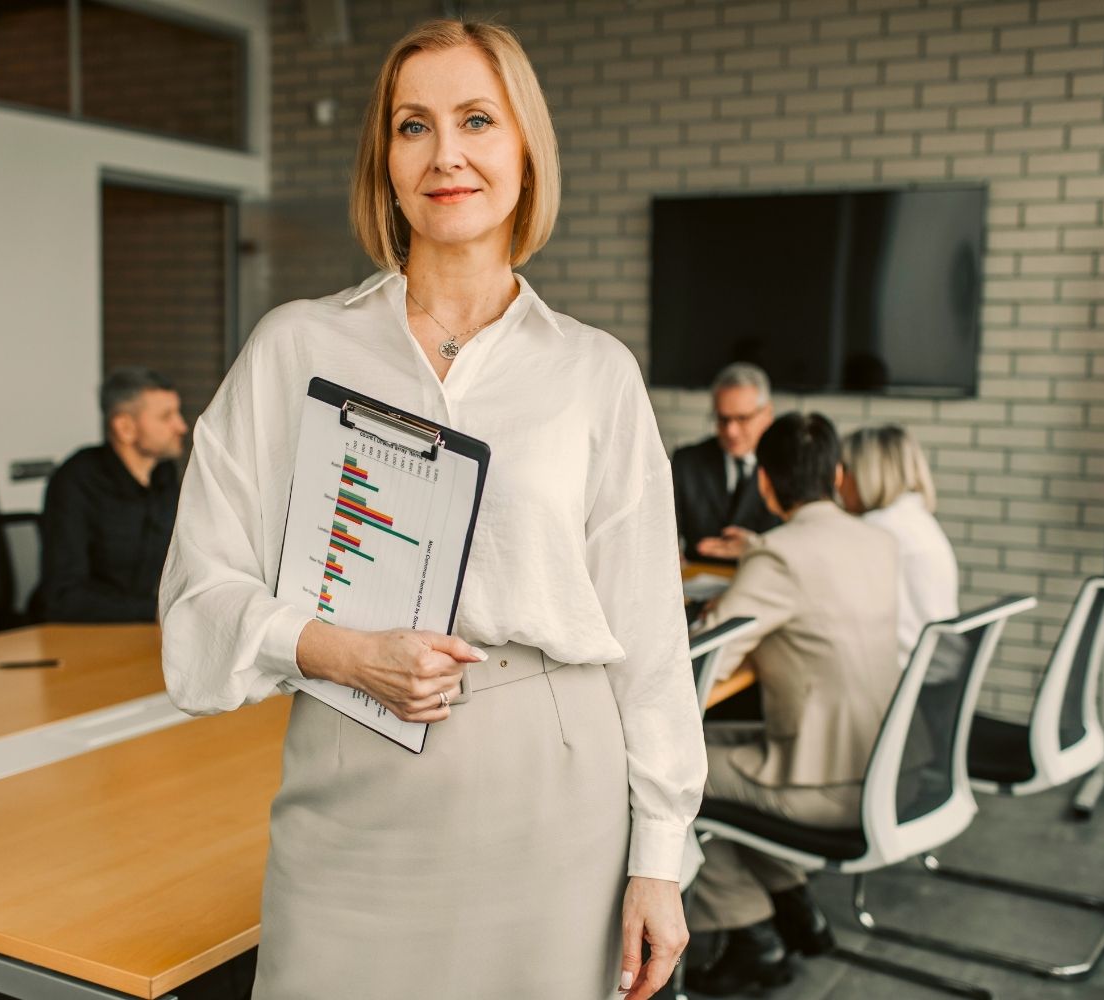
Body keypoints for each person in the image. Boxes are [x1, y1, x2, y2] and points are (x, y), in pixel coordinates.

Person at [158, 19, 702, 1000]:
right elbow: (198, 598)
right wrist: (340, 650)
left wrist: (660, 853)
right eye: (414, 126)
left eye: (477, 120)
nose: (446, 152)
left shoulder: (593, 372)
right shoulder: (296, 349)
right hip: (352, 768)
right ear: (386, 161)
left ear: (525, 150)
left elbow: (649, 635)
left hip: (554, 790)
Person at [685, 412, 899, 995]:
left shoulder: (778, 557)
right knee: (711, 751)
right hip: (880, 763)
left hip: (824, 786)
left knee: (671, 771)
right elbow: (818, 576)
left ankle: (752, 934)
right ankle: (791, 899)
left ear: (764, 483)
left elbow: (705, 665)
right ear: (836, 473)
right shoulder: (879, 542)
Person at [33, 367, 186, 622]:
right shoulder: (76, 480)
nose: (181, 426)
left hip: (143, 632)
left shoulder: (165, 476)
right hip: (80, 636)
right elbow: (62, 598)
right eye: (165, 417)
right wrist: (156, 611)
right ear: (125, 427)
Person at [840, 424, 959, 669]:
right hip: (929, 677)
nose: (837, 484)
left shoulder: (876, 532)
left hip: (898, 678)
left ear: (864, 474)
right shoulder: (917, 520)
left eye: (843, 470)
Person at [672, 362, 782, 563]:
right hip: (695, 584)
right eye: (722, 419)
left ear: (767, 414)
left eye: (742, 418)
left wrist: (754, 548)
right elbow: (665, 532)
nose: (731, 431)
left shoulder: (787, 465)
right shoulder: (686, 462)